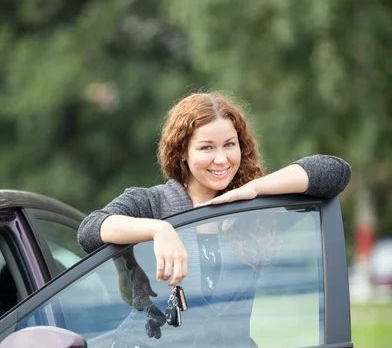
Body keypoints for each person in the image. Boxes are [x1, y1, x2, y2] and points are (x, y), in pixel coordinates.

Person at [78, 91, 351, 289]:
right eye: (207, 147)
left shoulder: (257, 209)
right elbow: (90, 231)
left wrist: (254, 188)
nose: (221, 159)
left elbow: (335, 172)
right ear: (182, 152)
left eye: (230, 145)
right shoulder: (151, 204)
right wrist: (159, 230)